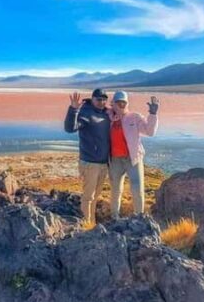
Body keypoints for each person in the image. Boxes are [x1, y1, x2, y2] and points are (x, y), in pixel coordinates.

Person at [107, 90, 159, 219]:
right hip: (115, 160)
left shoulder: (134, 117)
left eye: (124, 103)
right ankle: (114, 217)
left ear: (127, 103)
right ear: (113, 103)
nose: (121, 105)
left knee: (137, 190)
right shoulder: (108, 118)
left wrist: (152, 114)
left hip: (133, 159)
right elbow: (97, 107)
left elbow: (150, 132)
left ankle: (139, 218)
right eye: (118, 103)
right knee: (115, 190)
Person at [64, 88, 112, 225]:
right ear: (93, 99)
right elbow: (70, 128)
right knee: (88, 197)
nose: (101, 102)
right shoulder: (85, 112)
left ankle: (93, 223)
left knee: (95, 196)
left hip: (103, 163)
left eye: (104, 99)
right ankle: (86, 225)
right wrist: (73, 110)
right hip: (90, 163)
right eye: (99, 99)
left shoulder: (106, 113)